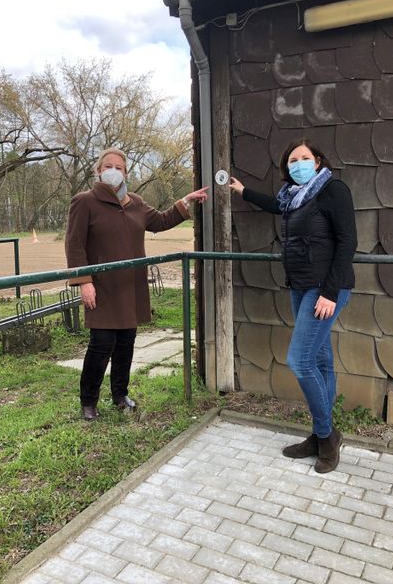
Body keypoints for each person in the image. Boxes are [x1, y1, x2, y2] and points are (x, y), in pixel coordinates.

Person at [230, 139, 357, 473]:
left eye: (304, 158)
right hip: (301, 287)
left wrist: (329, 293)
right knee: (320, 360)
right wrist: (243, 191)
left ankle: (328, 437)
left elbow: (348, 243)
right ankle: (319, 436)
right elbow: (275, 205)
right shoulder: (293, 198)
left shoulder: (333, 190)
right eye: (292, 160)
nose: (298, 163)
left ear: (317, 161)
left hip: (326, 289)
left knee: (299, 361)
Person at [65, 147, 208, 421]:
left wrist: (185, 202)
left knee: (126, 343)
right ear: (97, 171)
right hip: (102, 287)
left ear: (126, 173)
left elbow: (162, 220)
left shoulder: (136, 203)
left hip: (130, 288)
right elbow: (74, 244)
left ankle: (120, 395)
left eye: (119, 167)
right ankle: (88, 401)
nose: (113, 171)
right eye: (107, 166)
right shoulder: (84, 201)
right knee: (101, 344)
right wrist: (84, 281)